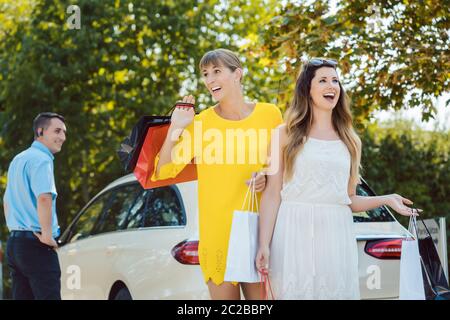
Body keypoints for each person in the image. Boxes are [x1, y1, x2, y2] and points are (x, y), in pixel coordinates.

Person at [255, 58, 420, 299]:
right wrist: (264, 245)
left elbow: (349, 200)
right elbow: (271, 195)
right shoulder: (284, 133)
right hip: (292, 232)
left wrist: (387, 199)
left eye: (335, 81)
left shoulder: (350, 140)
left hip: (336, 234)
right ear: (307, 90)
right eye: (322, 80)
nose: (331, 86)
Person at [151, 48, 283, 299]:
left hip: (262, 231)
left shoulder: (270, 115)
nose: (210, 79)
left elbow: (282, 168)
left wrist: (266, 177)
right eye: (205, 74)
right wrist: (176, 128)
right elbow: (163, 171)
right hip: (219, 236)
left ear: (238, 74)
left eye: (217, 71)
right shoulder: (200, 124)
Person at [3, 112, 67, 300]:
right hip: (37, 245)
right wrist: (47, 237)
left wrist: (16, 230)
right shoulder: (42, 159)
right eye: (57, 131)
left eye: (64, 132)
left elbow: (6, 201)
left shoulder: (18, 159)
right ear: (40, 131)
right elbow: (44, 198)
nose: (62, 137)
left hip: (16, 245)